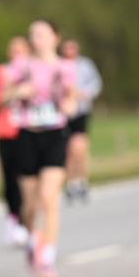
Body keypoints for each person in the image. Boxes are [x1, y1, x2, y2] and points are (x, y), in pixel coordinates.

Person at [5, 19, 77, 277]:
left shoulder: (64, 67)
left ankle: (47, 257)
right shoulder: (21, 66)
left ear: (55, 37)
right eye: (33, 35)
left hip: (54, 135)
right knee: (30, 205)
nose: (37, 39)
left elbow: (70, 95)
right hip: (26, 136)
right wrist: (17, 92)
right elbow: (2, 95)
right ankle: (33, 239)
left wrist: (69, 104)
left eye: (43, 34)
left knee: (49, 197)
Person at [0, 37, 31, 247]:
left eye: (21, 50)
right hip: (7, 131)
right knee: (11, 178)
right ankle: (14, 219)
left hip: (30, 131)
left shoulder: (35, 71)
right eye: (13, 50)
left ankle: (29, 219)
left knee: (29, 179)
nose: (16, 54)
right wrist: (11, 91)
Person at [59, 38, 102, 203]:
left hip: (81, 110)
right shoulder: (59, 65)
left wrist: (85, 93)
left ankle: (82, 180)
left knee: (80, 148)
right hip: (64, 113)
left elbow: (96, 83)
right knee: (68, 150)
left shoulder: (85, 65)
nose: (70, 51)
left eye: (72, 48)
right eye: (67, 48)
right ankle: (70, 183)